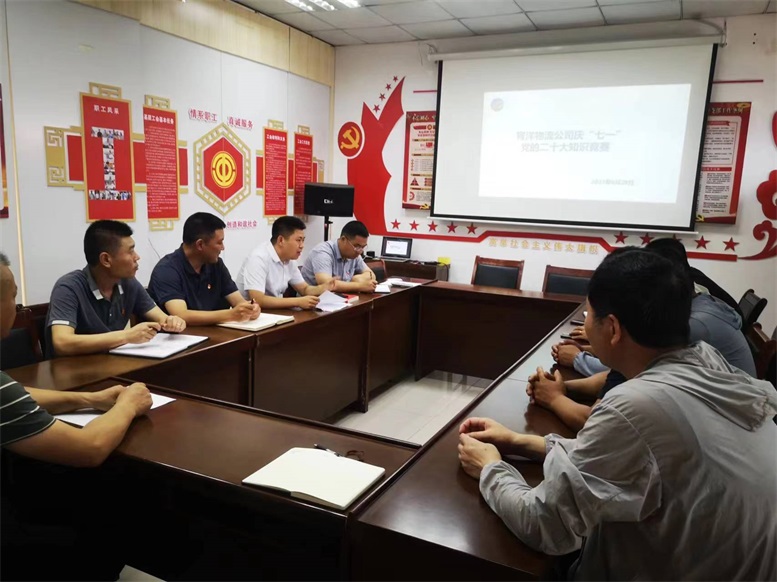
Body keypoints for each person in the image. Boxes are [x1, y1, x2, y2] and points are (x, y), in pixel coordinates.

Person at [458, 249, 777, 580]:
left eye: (588, 313)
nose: (585, 321)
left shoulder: (635, 407)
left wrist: (490, 468)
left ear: (612, 328)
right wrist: (523, 443)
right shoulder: (705, 360)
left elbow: (543, 523)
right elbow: (633, 457)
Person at [537, 243, 757, 431]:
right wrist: (566, 387)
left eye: (590, 312)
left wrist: (556, 395)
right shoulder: (689, 322)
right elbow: (619, 375)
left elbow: (597, 425)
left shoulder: (689, 331)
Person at [46, 220, 186, 358]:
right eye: (130, 251)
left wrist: (172, 322)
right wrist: (127, 336)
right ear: (106, 260)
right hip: (73, 368)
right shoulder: (68, 287)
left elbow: (161, 318)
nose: (137, 257)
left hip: (110, 363)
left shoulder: (128, 283)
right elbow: (62, 343)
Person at [148, 212, 260, 325]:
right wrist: (231, 315)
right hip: (181, 334)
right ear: (200, 245)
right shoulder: (166, 270)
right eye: (219, 242)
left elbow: (238, 302)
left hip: (215, 332)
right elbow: (181, 315)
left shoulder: (216, 264)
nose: (223, 248)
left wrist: (251, 309)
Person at [235, 215, 334, 310]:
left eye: (303, 240)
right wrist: (298, 301)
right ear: (281, 240)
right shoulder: (258, 258)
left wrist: (322, 288)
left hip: (274, 312)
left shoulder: (289, 259)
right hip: (250, 314)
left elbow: (304, 289)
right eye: (298, 240)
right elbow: (258, 299)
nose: (302, 245)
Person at [300, 220, 377, 293]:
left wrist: (358, 279)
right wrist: (359, 286)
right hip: (314, 299)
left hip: (340, 298)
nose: (360, 251)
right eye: (357, 246)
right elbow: (327, 284)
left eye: (363, 247)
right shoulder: (322, 252)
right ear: (343, 239)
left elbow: (371, 274)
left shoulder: (354, 254)